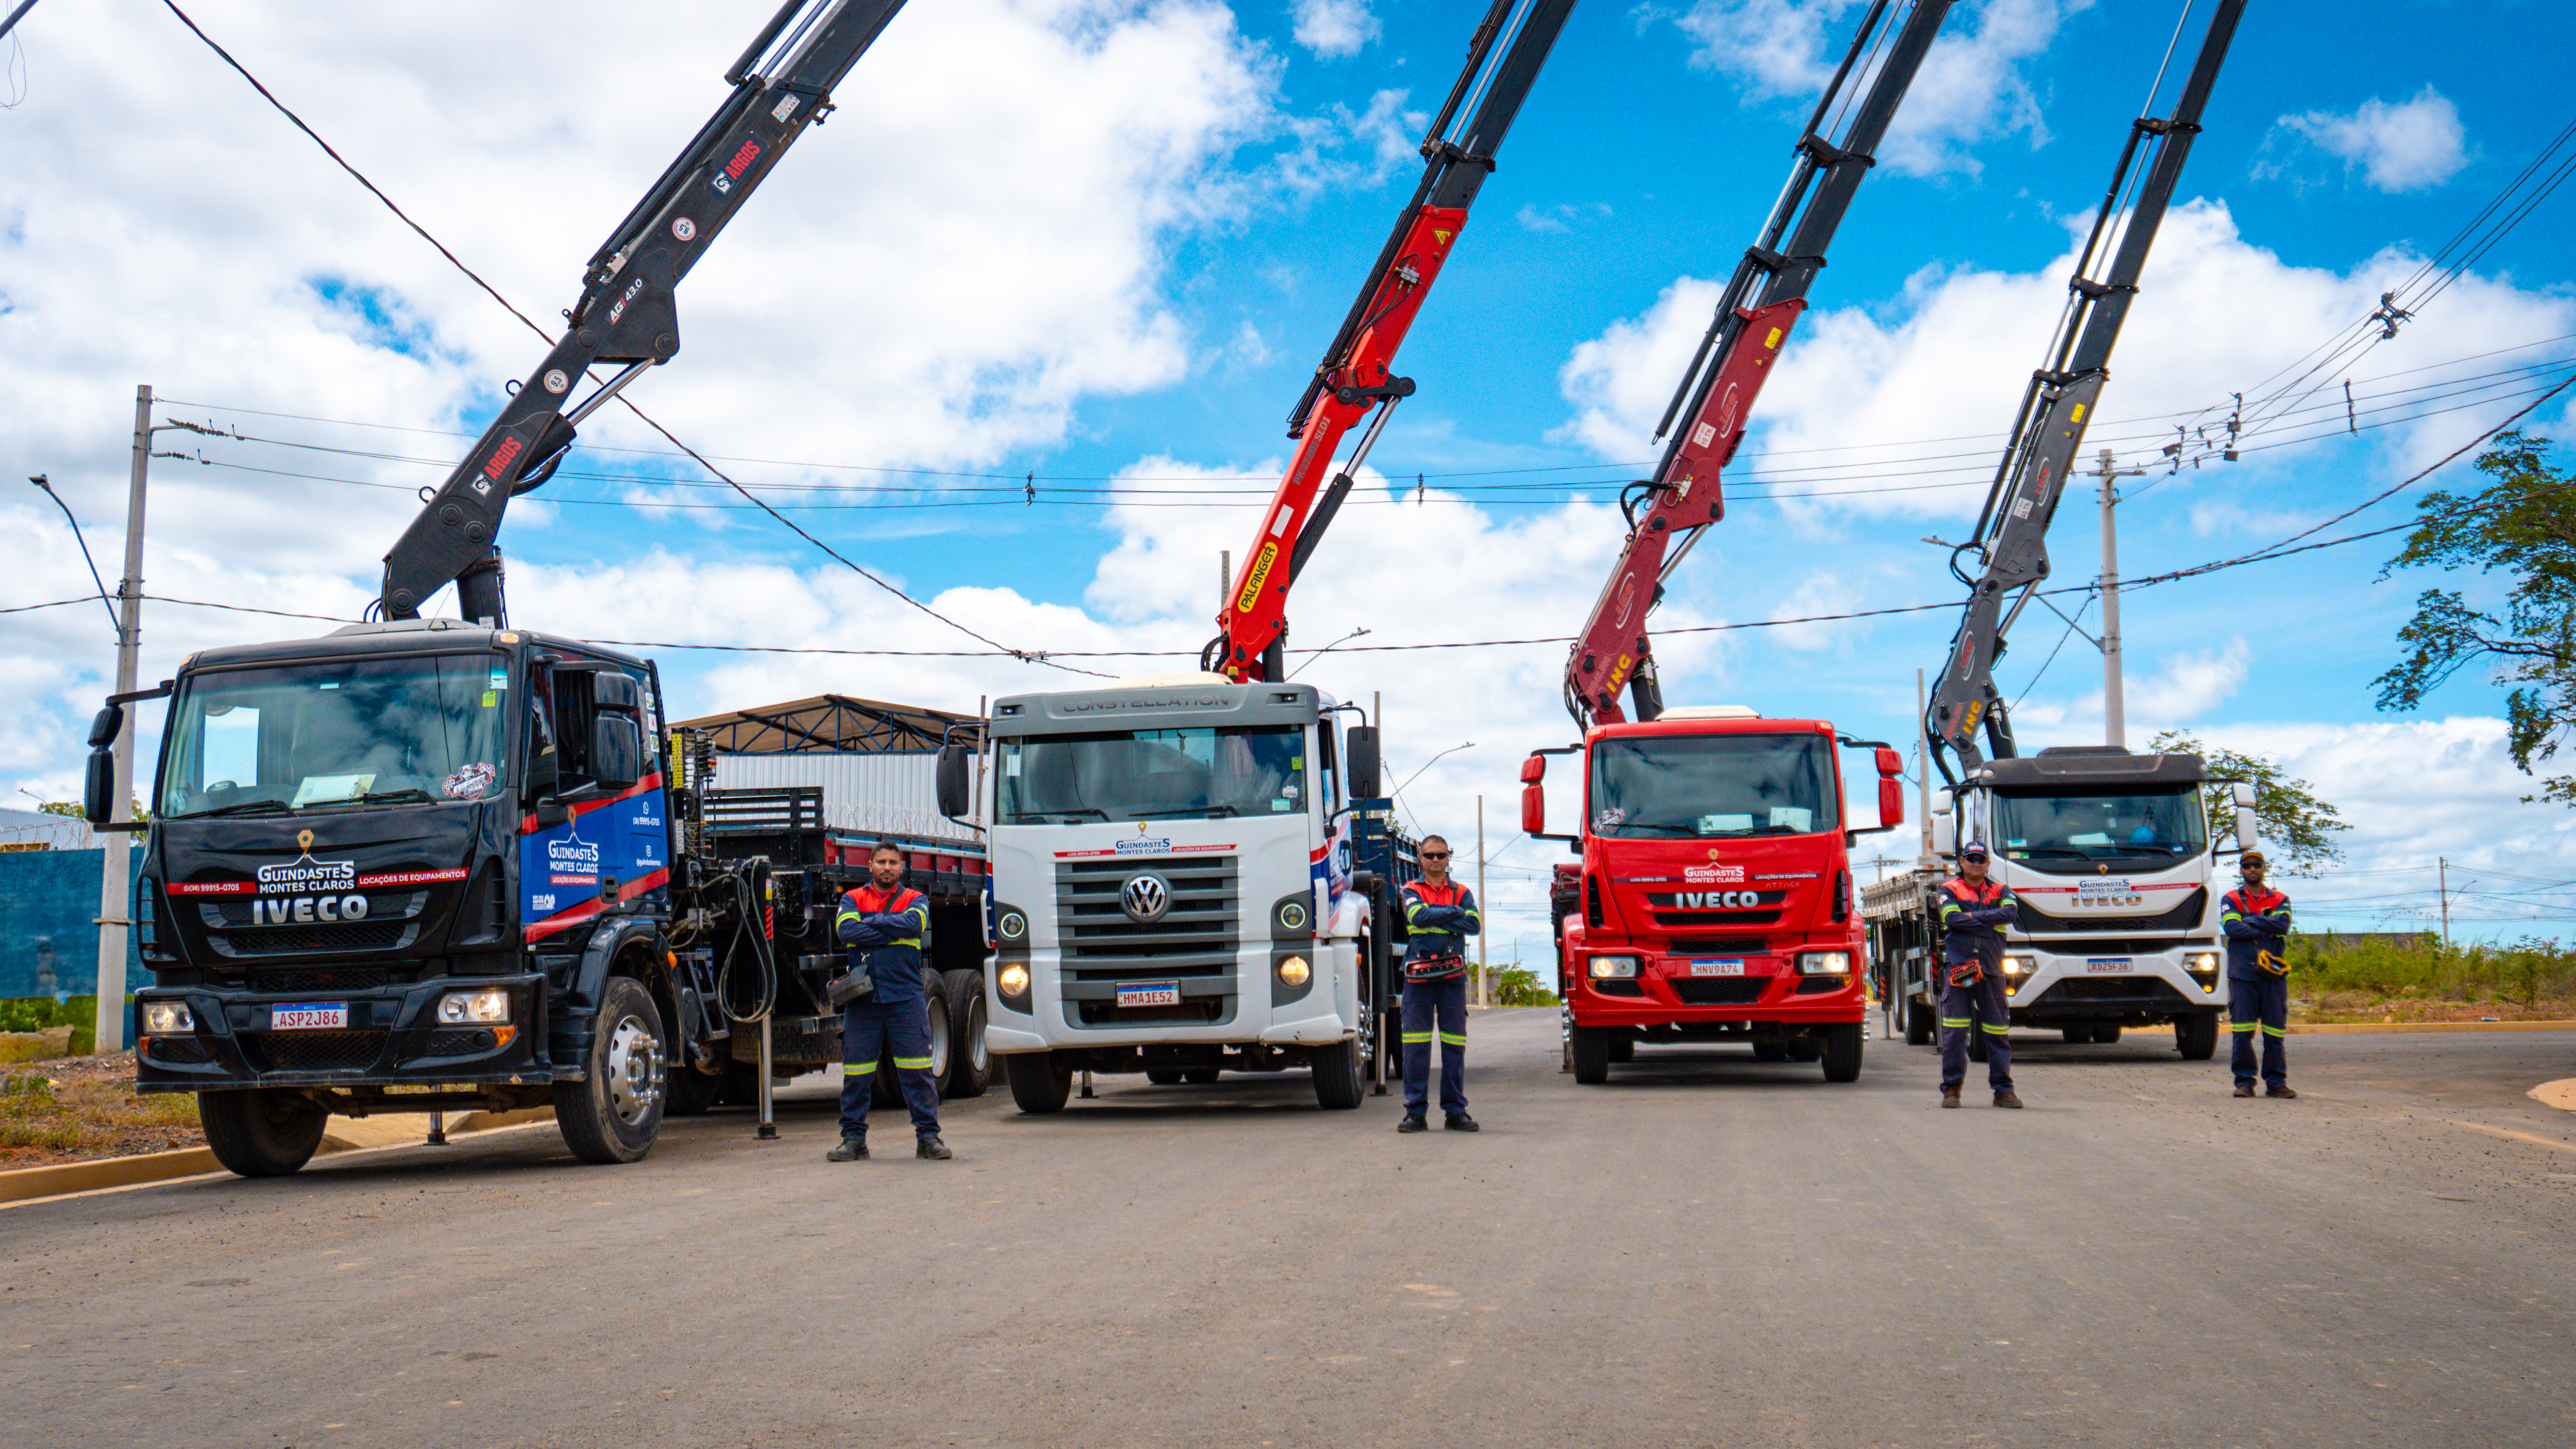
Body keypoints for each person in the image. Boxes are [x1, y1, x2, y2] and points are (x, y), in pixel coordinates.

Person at [826, 842, 952, 1161]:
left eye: (893, 862)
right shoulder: (851, 898)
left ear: (901, 867)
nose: (887, 867)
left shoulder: (916, 899)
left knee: (918, 1073)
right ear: (870, 865)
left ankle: (929, 1139)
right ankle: (854, 1141)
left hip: (906, 998)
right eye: (881, 862)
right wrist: (890, 929)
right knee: (856, 1076)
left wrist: (870, 923)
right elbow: (846, 931)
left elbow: (914, 925)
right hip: (863, 1001)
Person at [1396, 835, 1481, 1134]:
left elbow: (1474, 925)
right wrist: (1454, 913)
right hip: (1418, 981)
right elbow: (1417, 917)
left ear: (1448, 858)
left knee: (1454, 1047)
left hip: (1452, 981)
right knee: (1415, 1049)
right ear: (1420, 857)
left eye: (1441, 855)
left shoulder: (1463, 891)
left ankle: (1455, 1112)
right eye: (1430, 855)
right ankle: (1415, 1114)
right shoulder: (1410, 889)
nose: (1435, 860)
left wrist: (1435, 916)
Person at [1937, 840, 2023, 1109]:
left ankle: (2004, 1092)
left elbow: (2011, 913)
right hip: (1959, 970)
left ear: (1988, 864)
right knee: (1955, 1033)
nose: (1976, 863)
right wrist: (1989, 921)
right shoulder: (1948, 889)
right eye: (1971, 859)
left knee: (1998, 1032)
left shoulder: (2001, 890)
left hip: (1992, 970)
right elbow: (1951, 918)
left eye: (1981, 859)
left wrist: (1971, 919)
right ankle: (1952, 1090)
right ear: (1961, 862)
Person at [2221, 850, 2297, 1099]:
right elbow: (2232, 928)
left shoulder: (2280, 898)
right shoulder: (2231, 898)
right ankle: (2244, 1083)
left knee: (2275, 1032)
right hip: (2242, 974)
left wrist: (2249, 921)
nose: (2252, 869)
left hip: (2273, 975)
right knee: (2242, 1032)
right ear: (2241, 870)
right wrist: (2265, 923)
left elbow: (2282, 926)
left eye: (2257, 865)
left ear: (2264, 868)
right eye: (2248, 866)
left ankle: (2276, 1083)